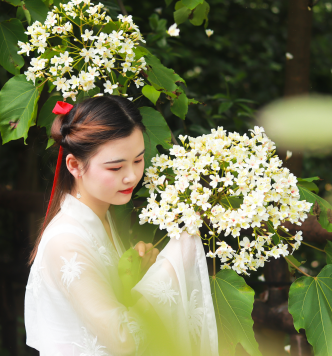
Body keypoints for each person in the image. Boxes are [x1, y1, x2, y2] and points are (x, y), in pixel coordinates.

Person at [24, 96, 218, 356]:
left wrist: (133, 277)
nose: (131, 176)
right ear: (74, 165)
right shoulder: (66, 241)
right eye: (115, 167)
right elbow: (122, 338)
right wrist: (170, 268)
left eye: (138, 160)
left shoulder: (100, 215)